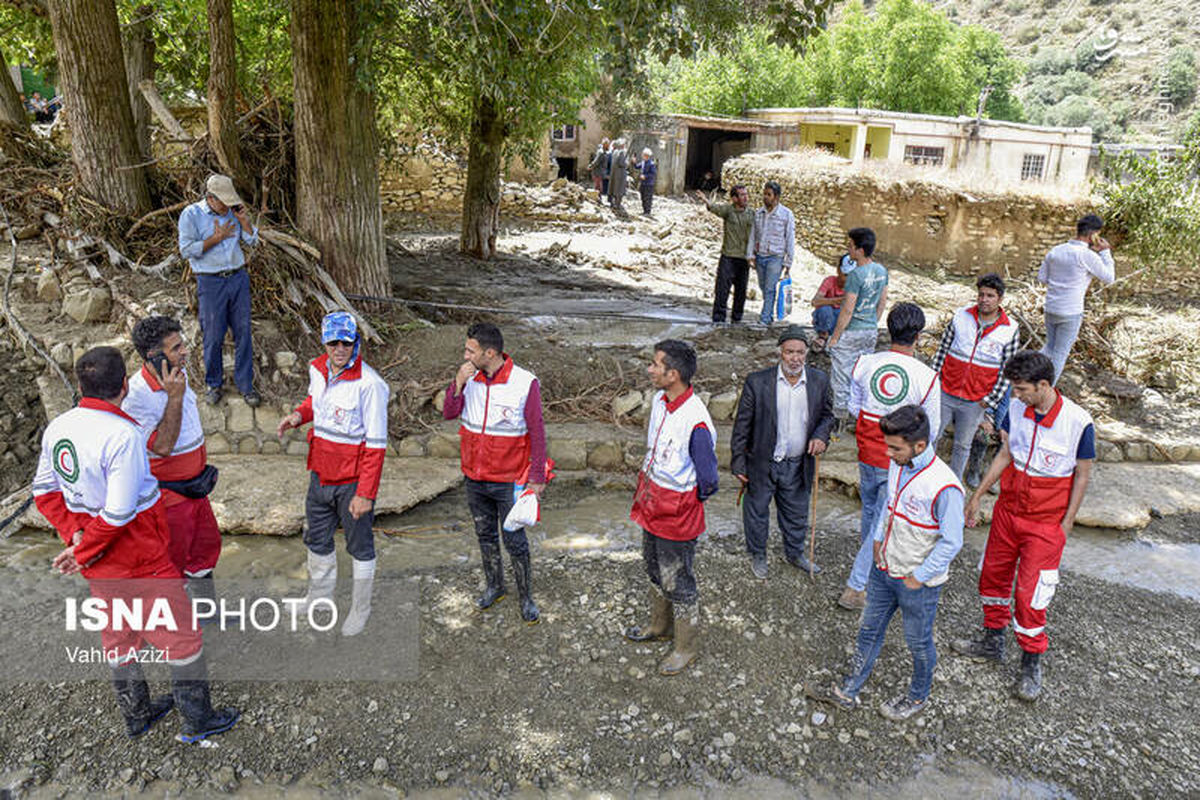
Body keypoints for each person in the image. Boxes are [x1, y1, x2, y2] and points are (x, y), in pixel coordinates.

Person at [33, 346, 239, 742]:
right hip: (137, 553)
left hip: (99, 559)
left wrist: (74, 534)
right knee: (182, 636)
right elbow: (120, 513)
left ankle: (138, 716)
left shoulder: (59, 427)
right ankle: (197, 721)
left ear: (79, 386)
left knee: (118, 633)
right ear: (124, 386)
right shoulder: (123, 435)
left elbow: (45, 491)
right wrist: (83, 548)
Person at [952, 350, 1095, 702]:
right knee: (992, 575)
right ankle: (992, 641)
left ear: (1043, 385)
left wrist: (1067, 523)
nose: (1016, 396)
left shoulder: (1078, 422)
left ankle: (1031, 662)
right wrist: (978, 495)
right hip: (1008, 511)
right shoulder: (1017, 408)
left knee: (1031, 593)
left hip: (1046, 522)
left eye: (1022, 389)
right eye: (1014, 389)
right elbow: (1005, 453)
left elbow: (1083, 474)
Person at [807, 405, 964, 721]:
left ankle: (918, 697)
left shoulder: (945, 486)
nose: (888, 454)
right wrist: (877, 540)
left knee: (918, 643)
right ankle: (847, 691)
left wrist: (918, 577)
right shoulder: (899, 464)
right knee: (868, 631)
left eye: (895, 447)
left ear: (919, 446)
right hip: (884, 570)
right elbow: (890, 506)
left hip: (917, 583)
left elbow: (952, 542)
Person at [277, 312, 390, 637]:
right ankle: (319, 599)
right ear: (324, 342)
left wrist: (365, 493)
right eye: (334, 342)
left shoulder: (370, 385)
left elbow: (377, 445)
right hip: (320, 475)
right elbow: (317, 401)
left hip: (352, 482)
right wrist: (299, 415)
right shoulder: (318, 369)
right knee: (317, 540)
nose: (340, 348)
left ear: (356, 342)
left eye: (346, 342)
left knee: (360, 546)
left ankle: (360, 609)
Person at [442, 323, 548, 623]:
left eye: (470, 350)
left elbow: (537, 432)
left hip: (508, 479)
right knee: (484, 535)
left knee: (514, 539)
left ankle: (526, 597)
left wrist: (537, 476)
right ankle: (495, 586)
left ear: (489, 353)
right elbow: (449, 412)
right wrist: (457, 384)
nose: (465, 355)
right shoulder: (470, 377)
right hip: (474, 478)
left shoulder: (524, 382)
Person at [839, 303, 941, 611]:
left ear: (889, 328)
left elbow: (854, 407)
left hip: (867, 451)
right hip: (898, 460)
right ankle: (856, 587)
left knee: (872, 513)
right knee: (880, 522)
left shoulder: (865, 363)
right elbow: (931, 429)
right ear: (919, 336)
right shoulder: (927, 377)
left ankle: (869, 568)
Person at [624, 340, 718, 675]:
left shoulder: (696, 422)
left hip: (677, 510)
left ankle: (685, 647)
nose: (650, 369)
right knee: (652, 565)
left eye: (655, 364)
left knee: (679, 579)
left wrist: (682, 503)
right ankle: (659, 626)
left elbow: (709, 480)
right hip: (652, 501)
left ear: (672, 374)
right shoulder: (661, 401)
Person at [122, 316, 222, 605]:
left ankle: (205, 611)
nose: (185, 352)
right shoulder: (136, 397)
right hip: (169, 496)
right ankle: (175, 630)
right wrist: (174, 398)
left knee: (205, 547)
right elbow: (163, 446)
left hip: (195, 487)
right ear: (154, 357)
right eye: (177, 348)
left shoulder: (176, 373)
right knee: (172, 559)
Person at [730, 326, 834, 579]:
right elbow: (742, 426)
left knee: (797, 512)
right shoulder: (758, 381)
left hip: (798, 463)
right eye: (790, 352)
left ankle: (795, 553)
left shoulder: (819, 380)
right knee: (756, 512)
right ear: (780, 353)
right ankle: (758, 554)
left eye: (800, 352)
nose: (795, 358)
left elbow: (828, 416)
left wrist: (821, 436)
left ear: (807, 353)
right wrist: (738, 463)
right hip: (762, 462)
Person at [178, 174, 261, 407]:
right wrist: (215, 239)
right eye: (222, 201)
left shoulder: (234, 212)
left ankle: (246, 385)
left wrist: (244, 222)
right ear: (210, 198)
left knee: (243, 331)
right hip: (210, 281)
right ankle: (214, 384)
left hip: (238, 277)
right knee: (213, 335)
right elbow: (186, 250)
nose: (227, 206)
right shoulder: (192, 215)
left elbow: (252, 242)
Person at [930, 273, 1020, 481]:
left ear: (1000, 299)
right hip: (946, 391)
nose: (984, 299)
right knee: (933, 435)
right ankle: (925, 478)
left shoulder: (1010, 329)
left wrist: (989, 401)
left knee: (963, 445)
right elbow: (942, 350)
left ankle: (953, 484)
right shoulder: (961, 317)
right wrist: (934, 381)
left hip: (976, 401)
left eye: (990, 296)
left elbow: (1007, 371)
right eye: (981, 295)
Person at [1038, 214, 1114, 383]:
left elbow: (1042, 278)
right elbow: (1109, 278)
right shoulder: (1087, 255)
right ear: (1093, 234)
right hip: (1071, 312)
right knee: (1059, 353)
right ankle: (1045, 389)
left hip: (1051, 308)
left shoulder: (1056, 250)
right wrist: (1105, 252)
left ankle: (1028, 376)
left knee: (1049, 347)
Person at [828, 227, 889, 419]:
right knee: (861, 374)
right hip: (870, 330)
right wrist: (873, 321)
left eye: (851, 245)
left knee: (841, 375)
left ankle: (839, 418)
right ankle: (859, 415)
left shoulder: (856, 275)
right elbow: (882, 301)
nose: (848, 249)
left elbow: (847, 309)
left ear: (860, 250)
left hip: (852, 330)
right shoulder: (881, 271)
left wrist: (835, 338)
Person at [696, 184, 754, 325]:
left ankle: (736, 319)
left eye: (746, 194)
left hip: (744, 259)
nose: (745, 197)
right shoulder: (728, 210)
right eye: (742, 195)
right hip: (728, 256)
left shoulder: (752, 214)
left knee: (741, 291)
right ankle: (719, 319)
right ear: (734, 198)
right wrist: (705, 200)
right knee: (722, 290)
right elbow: (714, 208)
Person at [746, 181, 796, 327]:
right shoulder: (759, 213)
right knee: (763, 286)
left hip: (776, 257)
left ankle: (765, 318)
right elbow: (753, 235)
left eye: (769, 195)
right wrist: (750, 255)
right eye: (764, 194)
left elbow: (790, 238)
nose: (765, 197)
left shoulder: (786, 215)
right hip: (760, 256)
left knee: (769, 288)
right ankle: (768, 314)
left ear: (776, 197)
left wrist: (788, 262)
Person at [810, 254, 850, 351]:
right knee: (825, 309)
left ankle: (835, 338)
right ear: (838, 270)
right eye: (845, 275)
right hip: (826, 320)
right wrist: (837, 300)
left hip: (840, 322)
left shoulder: (853, 286)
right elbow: (815, 302)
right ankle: (823, 336)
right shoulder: (830, 281)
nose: (848, 279)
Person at [609, 139, 629, 215]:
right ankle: (617, 205)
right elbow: (622, 163)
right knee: (619, 190)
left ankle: (614, 203)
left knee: (615, 189)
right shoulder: (621, 153)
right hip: (620, 175)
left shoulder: (614, 152)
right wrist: (627, 163)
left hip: (615, 174)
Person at [638, 147, 657, 216]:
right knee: (642, 197)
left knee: (647, 198)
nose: (642, 155)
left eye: (643, 154)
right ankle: (644, 211)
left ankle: (647, 212)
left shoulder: (651, 164)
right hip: (643, 183)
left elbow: (653, 174)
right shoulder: (643, 162)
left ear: (646, 155)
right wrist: (633, 163)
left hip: (649, 184)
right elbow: (637, 166)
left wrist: (645, 176)